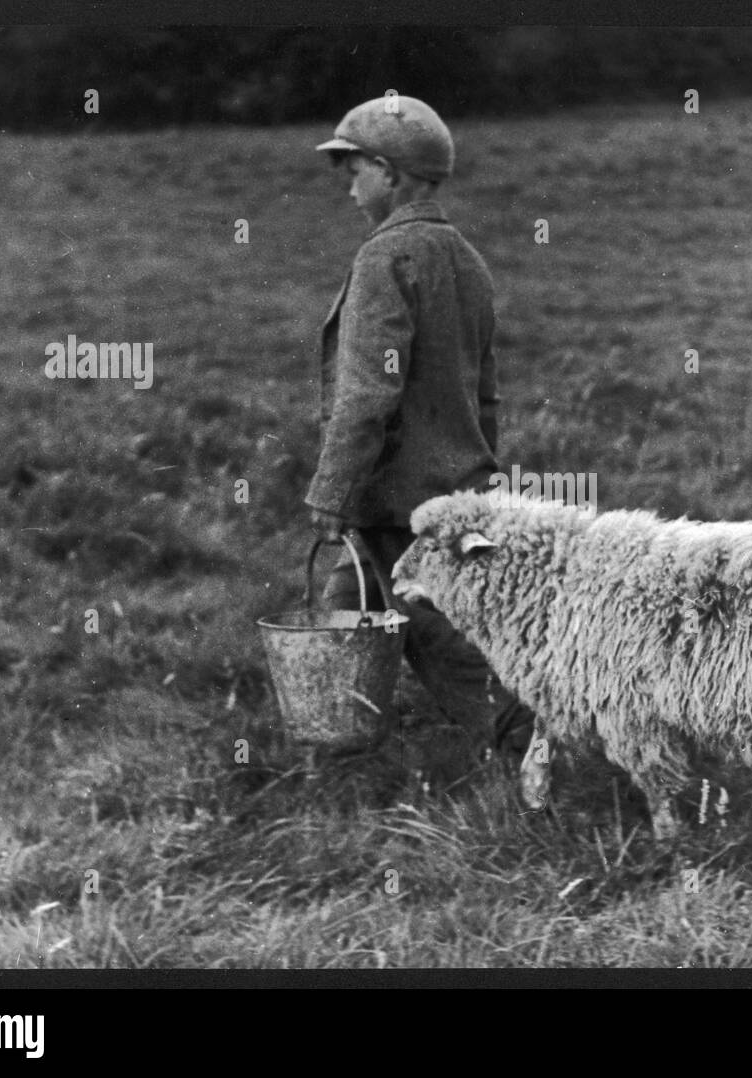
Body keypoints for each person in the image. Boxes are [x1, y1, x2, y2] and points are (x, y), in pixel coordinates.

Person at [304, 94, 534, 756]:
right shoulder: (464, 257)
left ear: (391, 172)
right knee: (344, 616)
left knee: (444, 645)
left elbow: (366, 394)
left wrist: (331, 490)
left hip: (400, 502)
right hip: (454, 491)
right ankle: (336, 760)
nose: (348, 187)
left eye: (354, 171)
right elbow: (486, 392)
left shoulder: (386, 258)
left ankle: (536, 753)